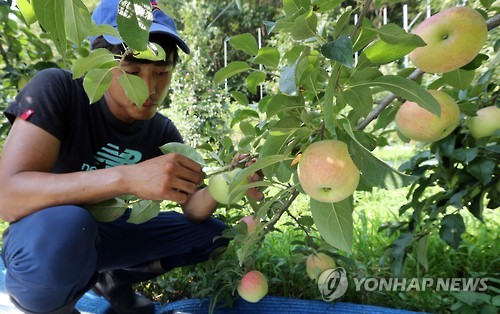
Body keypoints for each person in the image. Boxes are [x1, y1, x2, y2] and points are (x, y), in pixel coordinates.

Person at [0, 0, 262, 313]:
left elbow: (192, 206)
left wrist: (229, 179)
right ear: (100, 65)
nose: (149, 88)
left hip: (106, 239)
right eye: (132, 71)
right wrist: (126, 177)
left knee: (212, 234)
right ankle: (50, 302)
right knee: (71, 223)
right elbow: (7, 196)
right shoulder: (59, 90)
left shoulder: (161, 132)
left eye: (161, 72)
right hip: (46, 239)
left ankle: (111, 279)